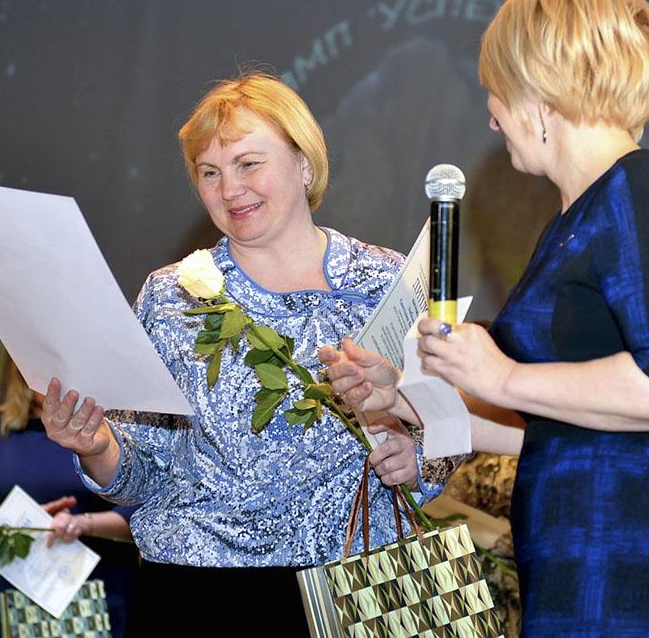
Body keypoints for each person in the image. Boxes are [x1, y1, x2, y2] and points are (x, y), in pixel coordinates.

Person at [321, 0, 649, 636]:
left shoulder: (643, 190)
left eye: (497, 90)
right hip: (581, 567)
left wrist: (504, 375)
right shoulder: (576, 219)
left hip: (635, 572)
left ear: (540, 91)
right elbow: (553, 428)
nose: (491, 116)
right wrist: (404, 397)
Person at [41, 72, 462, 633]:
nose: (230, 189)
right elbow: (142, 475)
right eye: (209, 172)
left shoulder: (387, 280)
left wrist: (419, 458)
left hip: (364, 587)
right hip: (199, 593)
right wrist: (98, 448)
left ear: (304, 164)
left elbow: (452, 423)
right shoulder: (171, 297)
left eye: (248, 164)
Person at [0, 362, 139, 638]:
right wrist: (14, 522)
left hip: (94, 604)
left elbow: (141, 511)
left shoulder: (111, 434)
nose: (55, 381)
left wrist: (83, 523)